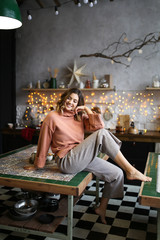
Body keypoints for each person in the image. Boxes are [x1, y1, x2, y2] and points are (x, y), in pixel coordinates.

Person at [24, 88, 152, 224]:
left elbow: (99, 126)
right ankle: (131, 170)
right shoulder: (52, 117)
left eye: (75, 101)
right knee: (102, 134)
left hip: (80, 157)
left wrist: (87, 110)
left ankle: (101, 208)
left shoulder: (79, 116)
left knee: (117, 173)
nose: (71, 103)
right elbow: (43, 141)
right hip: (66, 161)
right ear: (63, 98)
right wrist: (38, 165)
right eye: (69, 98)